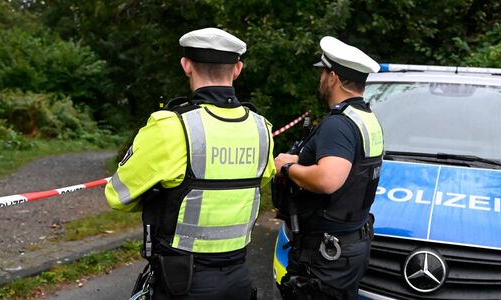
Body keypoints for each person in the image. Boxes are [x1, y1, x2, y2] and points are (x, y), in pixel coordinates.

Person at [105, 27, 275, 300]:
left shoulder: (170, 126)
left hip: (181, 283)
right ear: (238, 69)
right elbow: (260, 181)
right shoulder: (261, 128)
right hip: (239, 280)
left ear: (186, 65)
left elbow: (117, 195)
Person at [274, 36, 384, 300]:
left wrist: (288, 167)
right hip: (349, 245)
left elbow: (329, 179)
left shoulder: (339, 124)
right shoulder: (366, 118)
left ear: (333, 77)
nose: (321, 79)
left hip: (325, 256)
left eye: (323, 73)